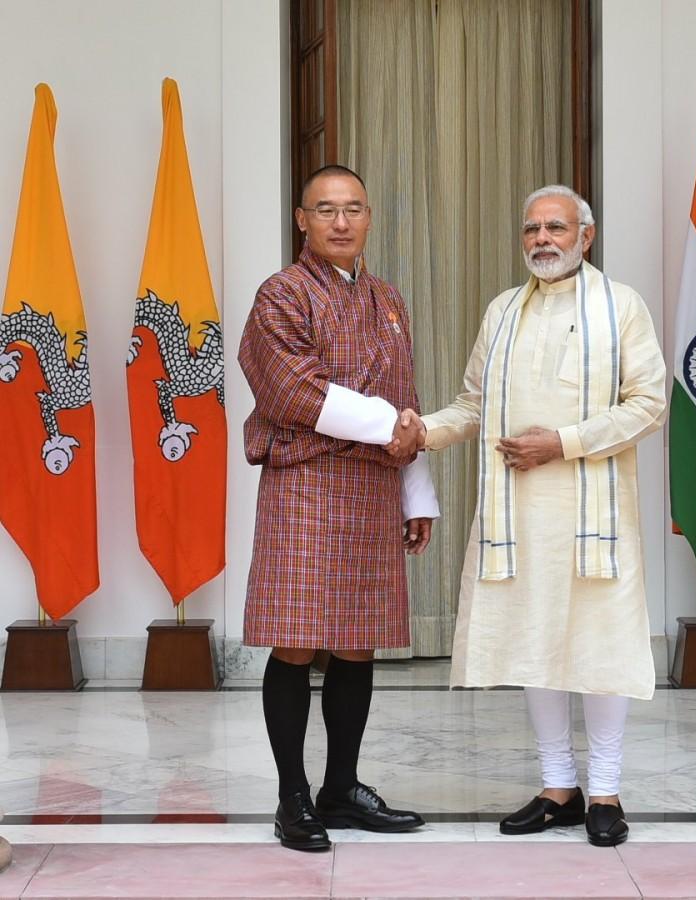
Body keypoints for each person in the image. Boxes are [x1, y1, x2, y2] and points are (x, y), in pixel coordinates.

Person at [393, 185, 666, 847]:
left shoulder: (622, 306)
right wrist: (419, 430)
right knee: (534, 643)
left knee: (600, 647)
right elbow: (473, 404)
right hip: (518, 514)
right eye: (532, 229)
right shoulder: (503, 312)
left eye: (556, 227)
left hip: (594, 514)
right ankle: (558, 789)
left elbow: (650, 405)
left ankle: (604, 792)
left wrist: (562, 443)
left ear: (586, 235)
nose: (543, 239)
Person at [239, 164, 438, 853]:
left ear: (370, 215)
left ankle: (341, 787)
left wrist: (418, 490)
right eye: (326, 209)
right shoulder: (281, 296)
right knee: (296, 639)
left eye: (353, 208)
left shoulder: (387, 298)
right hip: (306, 488)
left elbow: (406, 395)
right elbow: (299, 393)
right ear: (302, 219)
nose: (341, 221)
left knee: (358, 641)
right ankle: (293, 795)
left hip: (374, 487)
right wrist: (396, 429)